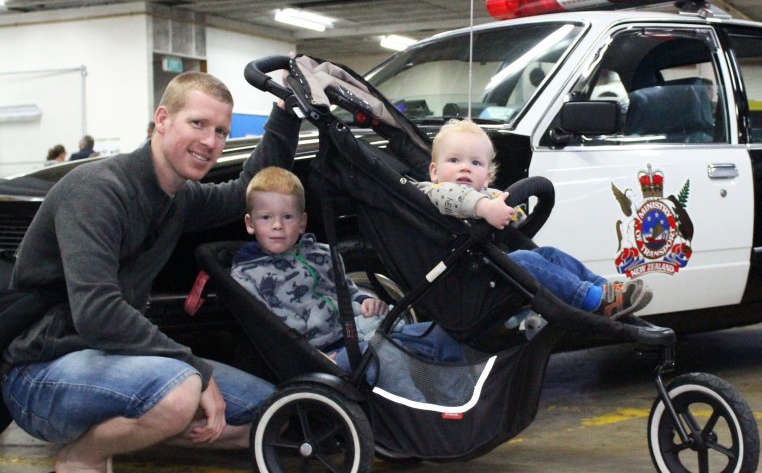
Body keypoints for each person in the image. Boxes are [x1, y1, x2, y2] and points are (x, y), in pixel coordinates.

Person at [1, 70, 302, 473]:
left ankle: (106, 449)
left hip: (108, 360)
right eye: (197, 124)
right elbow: (98, 313)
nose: (210, 141)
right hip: (41, 369)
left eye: (221, 131)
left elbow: (246, 189)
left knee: (272, 413)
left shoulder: (177, 197)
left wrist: (285, 112)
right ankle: (80, 460)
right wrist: (197, 370)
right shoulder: (98, 191)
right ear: (162, 119)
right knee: (182, 391)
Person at [418, 119, 652, 319]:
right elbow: (455, 197)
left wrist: (512, 216)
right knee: (522, 260)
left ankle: (604, 290)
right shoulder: (430, 193)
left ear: (487, 177)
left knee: (549, 254)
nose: (465, 168)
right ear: (434, 171)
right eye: (454, 160)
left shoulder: (489, 196)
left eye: (475, 163)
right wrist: (485, 207)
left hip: (493, 270)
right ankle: (590, 300)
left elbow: (508, 218)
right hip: (467, 282)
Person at [230, 166, 390, 371]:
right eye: (266, 217)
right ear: (250, 223)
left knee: (407, 331)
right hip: (317, 353)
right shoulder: (247, 275)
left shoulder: (322, 254)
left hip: (352, 328)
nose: (277, 225)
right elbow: (268, 330)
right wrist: (310, 356)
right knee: (384, 358)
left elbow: (348, 292)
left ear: (302, 222)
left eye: (287, 217)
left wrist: (364, 301)